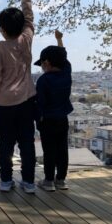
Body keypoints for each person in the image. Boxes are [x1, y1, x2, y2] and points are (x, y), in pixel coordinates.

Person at [0, 0, 37, 193]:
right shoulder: (26, 39)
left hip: (4, 103)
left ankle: (6, 180)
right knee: (27, 143)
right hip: (27, 99)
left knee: (6, 143)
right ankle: (28, 182)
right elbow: (29, 17)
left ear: (2, 29)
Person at [35, 30, 73, 191]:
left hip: (47, 120)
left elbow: (40, 104)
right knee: (62, 150)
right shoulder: (66, 74)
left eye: (42, 63)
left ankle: (49, 181)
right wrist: (59, 40)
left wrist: (37, 121)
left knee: (49, 151)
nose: (42, 66)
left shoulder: (44, 80)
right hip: (62, 119)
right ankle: (61, 180)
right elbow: (63, 57)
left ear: (48, 63)